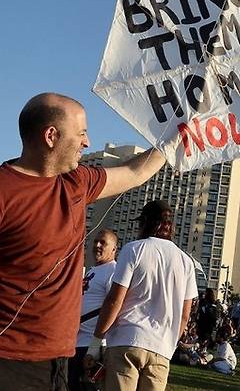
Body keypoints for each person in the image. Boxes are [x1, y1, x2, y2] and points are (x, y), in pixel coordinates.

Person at [0, 93, 166, 390]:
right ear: (51, 136)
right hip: (10, 361)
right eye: (81, 133)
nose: (87, 142)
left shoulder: (77, 182)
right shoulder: (4, 191)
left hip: (60, 360)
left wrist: (177, 135)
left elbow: (135, 171)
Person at [90, 200, 197, 391]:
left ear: (145, 222)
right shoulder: (186, 261)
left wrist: (97, 341)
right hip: (162, 348)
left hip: (127, 340)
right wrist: (169, 345)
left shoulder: (134, 249)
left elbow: (115, 299)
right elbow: (185, 315)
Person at [68, 229, 119, 391]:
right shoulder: (92, 270)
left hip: (92, 345)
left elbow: (114, 306)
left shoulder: (113, 271)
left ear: (114, 249)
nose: (97, 245)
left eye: (103, 242)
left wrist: (97, 345)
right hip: (76, 342)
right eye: (96, 241)